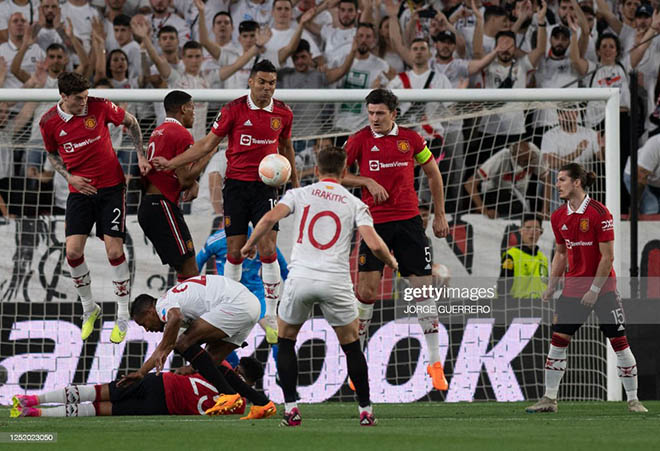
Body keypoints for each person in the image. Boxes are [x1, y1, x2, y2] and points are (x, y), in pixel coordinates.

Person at [241, 146, 398, 426]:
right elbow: (374, 244)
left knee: (286, 340)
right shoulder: (354, 203)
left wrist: (250, 244)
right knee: (352, 346)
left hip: (301, 278)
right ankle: (366, 411)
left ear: (316, 170)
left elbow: (269, 218)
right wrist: (392, 262)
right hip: (335, 281)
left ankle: (291, 409)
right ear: (344, 170)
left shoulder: (298, 194)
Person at [152, 59, 299, 344]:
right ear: (251, 82)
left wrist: (294, 183)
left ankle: (271, 313)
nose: (267, 88)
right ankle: (228, 307)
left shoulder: (283, 112)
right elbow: (207, 144)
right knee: (234, 251)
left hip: (266, 189)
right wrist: (172, 163)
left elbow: (286, 146)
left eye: (272, 83)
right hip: (236, 188)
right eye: (262, 82)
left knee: (268, 249)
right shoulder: (233, 110)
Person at [342, 89, 450, 391]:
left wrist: (439, 215)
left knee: (422, 291)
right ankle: (358, 362)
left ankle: (435, 362)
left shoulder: (411, 140)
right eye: (370, 113)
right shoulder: (359, 140)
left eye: (380, 113)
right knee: (366, 291)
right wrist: (366, 180)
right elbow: (335, 174)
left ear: (394, 114)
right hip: (373, 224)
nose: (374, 118)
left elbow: (433, 173)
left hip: (409, 223)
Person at [526, 163, 648, 413]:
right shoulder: (558, 216)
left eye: (562, 180)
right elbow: (561, 253)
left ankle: (633, 400)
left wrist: (594, 289)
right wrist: (551, 286)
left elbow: (608, 257)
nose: (557, 184)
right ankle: (549, 399)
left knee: (619, 343)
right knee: (558, 342)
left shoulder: (599, 213)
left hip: (603, 290)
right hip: (572, 290)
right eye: (557, 180)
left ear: (577, 182)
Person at [39, 71, 150, 344]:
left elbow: (132, 122)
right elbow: (51, 153)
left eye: (86, 96)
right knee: (72, 252)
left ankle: (122, 313)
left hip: (111, 188)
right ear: (63, 97)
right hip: (80, 191)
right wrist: (70, 177)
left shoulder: (99, 106)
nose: (84, 102)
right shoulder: (48, 122)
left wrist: (140, 155)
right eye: (79, 98)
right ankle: (89, 308)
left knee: (114, 251)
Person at [122, 274, 277, 419]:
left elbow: (175, 320)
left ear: (149, 311)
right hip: (251, 306)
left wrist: (165, 349)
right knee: (210, 362)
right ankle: (262, 403)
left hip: (235, 304)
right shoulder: (175, 304)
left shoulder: (163, 305)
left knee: (183, 343)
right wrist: (141, 373)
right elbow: (169, 345)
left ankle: (228, 394)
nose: (147, 329)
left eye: (144, 324)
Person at [10, 357, 264, 418]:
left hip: (161, 383)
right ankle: (34, 411)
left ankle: (32, 401)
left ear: (238, 369)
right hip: (162, 406)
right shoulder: (238, 406)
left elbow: (188, 366)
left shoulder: (219, 366)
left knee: (100, 393)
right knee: (102, 409)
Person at [139, 90, 217, 284]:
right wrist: (209, 152)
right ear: (183, 108)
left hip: (151, 205)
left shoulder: (158, 131)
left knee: (183, 270)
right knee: (191, 269)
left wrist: (193, 183)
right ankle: (186, 304)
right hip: (162, 206)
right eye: (192, 108)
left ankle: (181, 303)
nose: (194, 113)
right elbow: (185, 178)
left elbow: (174, 175)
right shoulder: (181, 134)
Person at [197, 225, 289, 346]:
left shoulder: (261, 238)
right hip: (234, 294)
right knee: (219, 338)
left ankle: (280, 351)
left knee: (274, 334)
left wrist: (291, 292)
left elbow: (282, 267)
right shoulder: (217, 240)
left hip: (250, 293)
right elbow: (198, 263)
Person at [497, 214, 548, 299]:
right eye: (528, 228)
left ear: (541, 232)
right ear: (520, 230)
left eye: (536, 229)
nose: (532, 232)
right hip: (517, 305)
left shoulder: (543, 259)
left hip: (539, 305)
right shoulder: (511, 256)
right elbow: (502, 289)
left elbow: (545, 285)